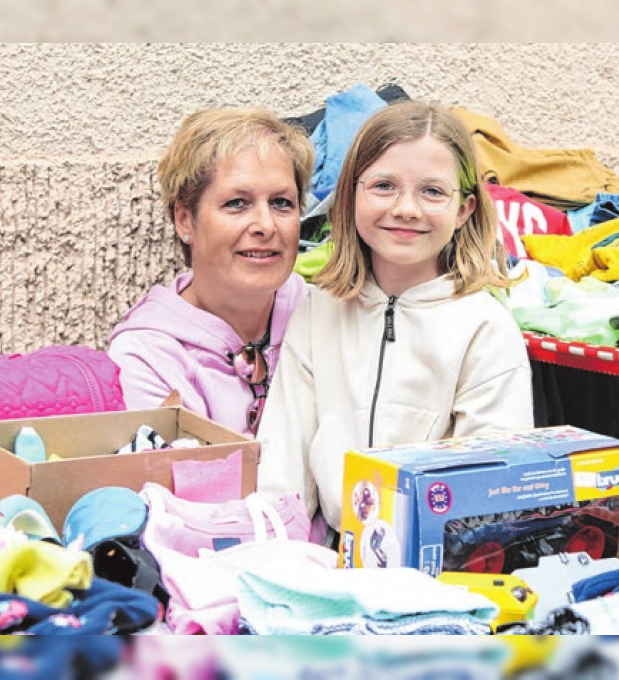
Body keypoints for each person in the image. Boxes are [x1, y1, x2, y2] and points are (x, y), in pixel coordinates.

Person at [256, 100, 534, 533]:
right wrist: (274, 555)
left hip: (439, 565)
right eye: (384, 186)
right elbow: (282, 465)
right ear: (350, 196)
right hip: (330, 557)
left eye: (433, 191)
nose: (406, 208)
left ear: (465, 210)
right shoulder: (319, 309)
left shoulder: (485, 329)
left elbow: (492, 491)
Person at [108, 108, 314, 436]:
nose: (265, 225)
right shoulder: (147, 358)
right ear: (184, 220)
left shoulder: (322, 316)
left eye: (281, 203)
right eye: (237, 203)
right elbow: (182, 482)